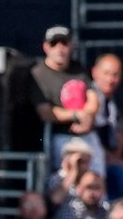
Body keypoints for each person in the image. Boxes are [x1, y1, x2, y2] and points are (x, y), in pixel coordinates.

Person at [30, 26, 103, 173]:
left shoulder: (79, 68)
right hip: (60, 136)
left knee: (97, 176)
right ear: (45, 47)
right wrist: (76, 115)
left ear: (72, 46)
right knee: (66, 179)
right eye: (54, 44)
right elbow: (45, 112)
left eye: (64, 43)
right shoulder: (38, 74)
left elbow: (93, 99)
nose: (60, 48)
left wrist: (87, 117)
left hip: (88, 134)